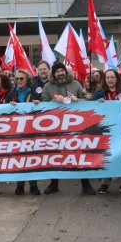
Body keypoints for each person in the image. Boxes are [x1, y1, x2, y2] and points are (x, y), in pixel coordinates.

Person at [41, 62, 96, 196]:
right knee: (55, 155)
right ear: (53, 74)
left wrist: (78, 100)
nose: (60, 73)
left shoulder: (76, 84)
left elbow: (87, 99)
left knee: (79, 154)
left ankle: (86, 184)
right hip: (56, 127)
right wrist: (53, 101)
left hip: (76, 126)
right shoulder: (47, 87)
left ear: (66, 72)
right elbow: (43, 105)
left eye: (62, 70)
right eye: (57, 71)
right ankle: (53, 184)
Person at [92, 69, 121, 195]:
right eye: (107, 77)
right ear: (104, 79)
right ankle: (104, 183)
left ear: (117, 79)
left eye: (112, 77)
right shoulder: (99, 92)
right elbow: (91, 108)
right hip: (105, 129)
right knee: (105, 155)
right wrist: (97, 103)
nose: (110, 80)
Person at [10, 69, 41, 196]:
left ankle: (34, 185)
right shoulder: (12, 93)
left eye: (21, 78)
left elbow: (44, 108)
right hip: (17, 131)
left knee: (31, 158)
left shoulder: (34, 93)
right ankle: (20, 185)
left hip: (32, 130)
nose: (19, 81)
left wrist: (39, 104)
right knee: (19, 158)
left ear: (27, 79)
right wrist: (9, 105)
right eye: (17, 79)